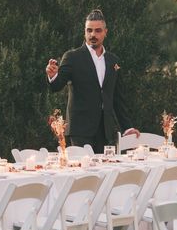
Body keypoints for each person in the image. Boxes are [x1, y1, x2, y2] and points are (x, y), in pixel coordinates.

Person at [46, 9, 140, 153]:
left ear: (105, 32)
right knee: (83, 173)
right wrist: (52, 76)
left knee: (104, 172)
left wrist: (128, 127)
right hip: (80, 131)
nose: (93, 35)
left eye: (97, 31)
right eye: (89, 30)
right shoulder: (72, 57)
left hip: (105, 131)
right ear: (84, 32)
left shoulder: (113, 61)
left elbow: (117, 99)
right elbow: (57, 85)